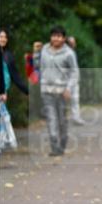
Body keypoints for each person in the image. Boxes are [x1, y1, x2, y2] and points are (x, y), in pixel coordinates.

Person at [35, 26, 80, 156]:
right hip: (46, 90)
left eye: (59, 36)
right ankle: (54, 147)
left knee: (61, 120)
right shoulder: (44, 49)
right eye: (54, 35)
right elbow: (37, 66)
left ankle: (62, 144)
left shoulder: (69, 53)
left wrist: (68, 88)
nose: (56, 38)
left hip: (62, 92)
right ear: (51, 37)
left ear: (64, 38)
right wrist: (36, 53)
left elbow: (74, 72)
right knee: (51, 118)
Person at [0, 28, 30, 152]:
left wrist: (27, 91)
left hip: (2, 91)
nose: (3, 39)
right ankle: (7, 141)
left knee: (2, 117)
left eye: (5, 37)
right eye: (0, 36)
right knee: (3, 116)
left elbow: (15, 76)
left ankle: (2, 143)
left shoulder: (8, 56)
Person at [65, 36, 84, 124]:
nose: (74, 44)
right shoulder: (66, 53)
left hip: (74, 80)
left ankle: (76, 117)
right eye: (72, 42)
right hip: (66, 80)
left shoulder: (73, 52)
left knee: (75, 99)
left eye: (74, 42)